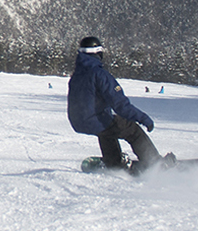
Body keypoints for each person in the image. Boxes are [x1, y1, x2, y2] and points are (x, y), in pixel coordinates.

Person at [67, 36, 163, 175]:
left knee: (106, 127)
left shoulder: (76, 75)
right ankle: (154, 164)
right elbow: (120, 105)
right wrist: (143, 118)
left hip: (78, 122)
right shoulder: (100, 74)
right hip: (94, 119)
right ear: (98, 53)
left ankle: (113, 162)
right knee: (132, 130)